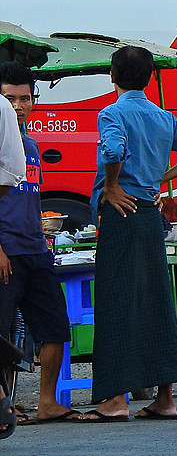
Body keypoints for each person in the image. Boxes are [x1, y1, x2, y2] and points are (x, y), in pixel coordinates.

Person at [86, 46, 177, 421]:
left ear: (112, 75)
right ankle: (165, 399)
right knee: (158, 303)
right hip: (149, 217)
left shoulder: (112, 113)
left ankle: (114, 401)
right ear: (150, 77)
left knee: (116, 302)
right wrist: (161, 179)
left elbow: (113, 149)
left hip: (120, 216)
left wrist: (110, 186)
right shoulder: (163, 117)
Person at [0, 63, 83, 425]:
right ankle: (3, 404)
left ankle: (47, 402)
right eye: (9, 99)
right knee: (0, 335)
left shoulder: (31, 145)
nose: (18, 106)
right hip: (5, 252)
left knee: (55, 327)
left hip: (36, 251)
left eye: (24, 98)